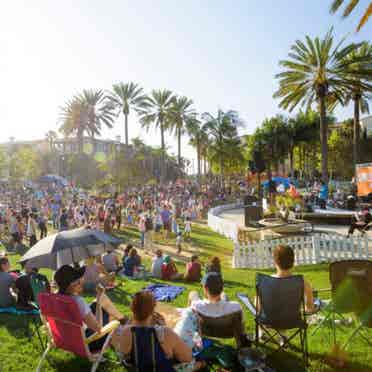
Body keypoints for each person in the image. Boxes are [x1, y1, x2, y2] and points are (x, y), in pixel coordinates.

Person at [119, 291, 205, 371]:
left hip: (139, 368)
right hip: (163, 369)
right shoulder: (164, 333)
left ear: (132, 310)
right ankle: (200, 364)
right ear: (153, 311)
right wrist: (164, 327)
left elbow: (125, 358)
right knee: (195, 361)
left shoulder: (125, 332)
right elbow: (187, 358)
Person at [54, 265, 125, 353]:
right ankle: (122, 335)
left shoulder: (54, 299)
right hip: (88, 342)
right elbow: (99, 329)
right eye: (79, 280)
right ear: (72, 284)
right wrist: (99, 300)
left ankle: (123, 320)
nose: (82, 281)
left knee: (99, 301)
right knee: (107, 312)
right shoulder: (77, 302)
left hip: (68, 339)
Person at [271, 245, 316, 313]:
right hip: (294, 322)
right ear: (293, 261)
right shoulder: (302, 281)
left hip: (271, 323)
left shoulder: (266, 282)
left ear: (275, 261)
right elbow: (310, 308)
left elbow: (258, 307)